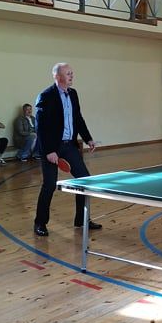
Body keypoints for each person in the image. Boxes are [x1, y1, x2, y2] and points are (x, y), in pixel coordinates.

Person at [33, 62, 100, 237]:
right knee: (49, 185)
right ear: (57, 76)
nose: (71, 76)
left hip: (69, 145)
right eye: (68, 73)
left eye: (72, 73)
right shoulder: (46, 96)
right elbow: (40, 127)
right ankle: (40, 223)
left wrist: (88, 138)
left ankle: (81, 220)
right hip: (51, 148)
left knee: (84, 180)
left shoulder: (73, 94)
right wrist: (49, 151)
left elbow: (78, 118)